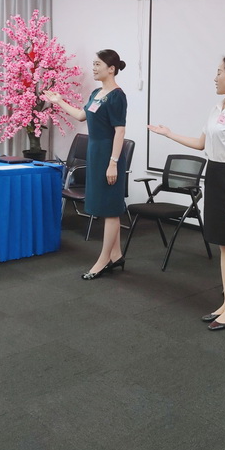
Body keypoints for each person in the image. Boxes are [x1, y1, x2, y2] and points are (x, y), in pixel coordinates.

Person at [148, 54, 225, 331]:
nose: (215, 77)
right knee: (224, 244)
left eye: (219, 72)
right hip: (216, 176)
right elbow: (201, 144)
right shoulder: (217, 108)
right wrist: (169, 133)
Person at [44, 49, 128, 279]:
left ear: (111, 69)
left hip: (109, 155)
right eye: (93, 64)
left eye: (98, 64)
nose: (93, 68)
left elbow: (120, 131)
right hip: (95, 153)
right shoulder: (97, 93)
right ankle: (116, 255)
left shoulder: (117, 96)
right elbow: (82, 116)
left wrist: (113, 163)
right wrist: (59, 101)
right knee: (105, 206)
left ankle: (103, 260)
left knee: (110, 209)